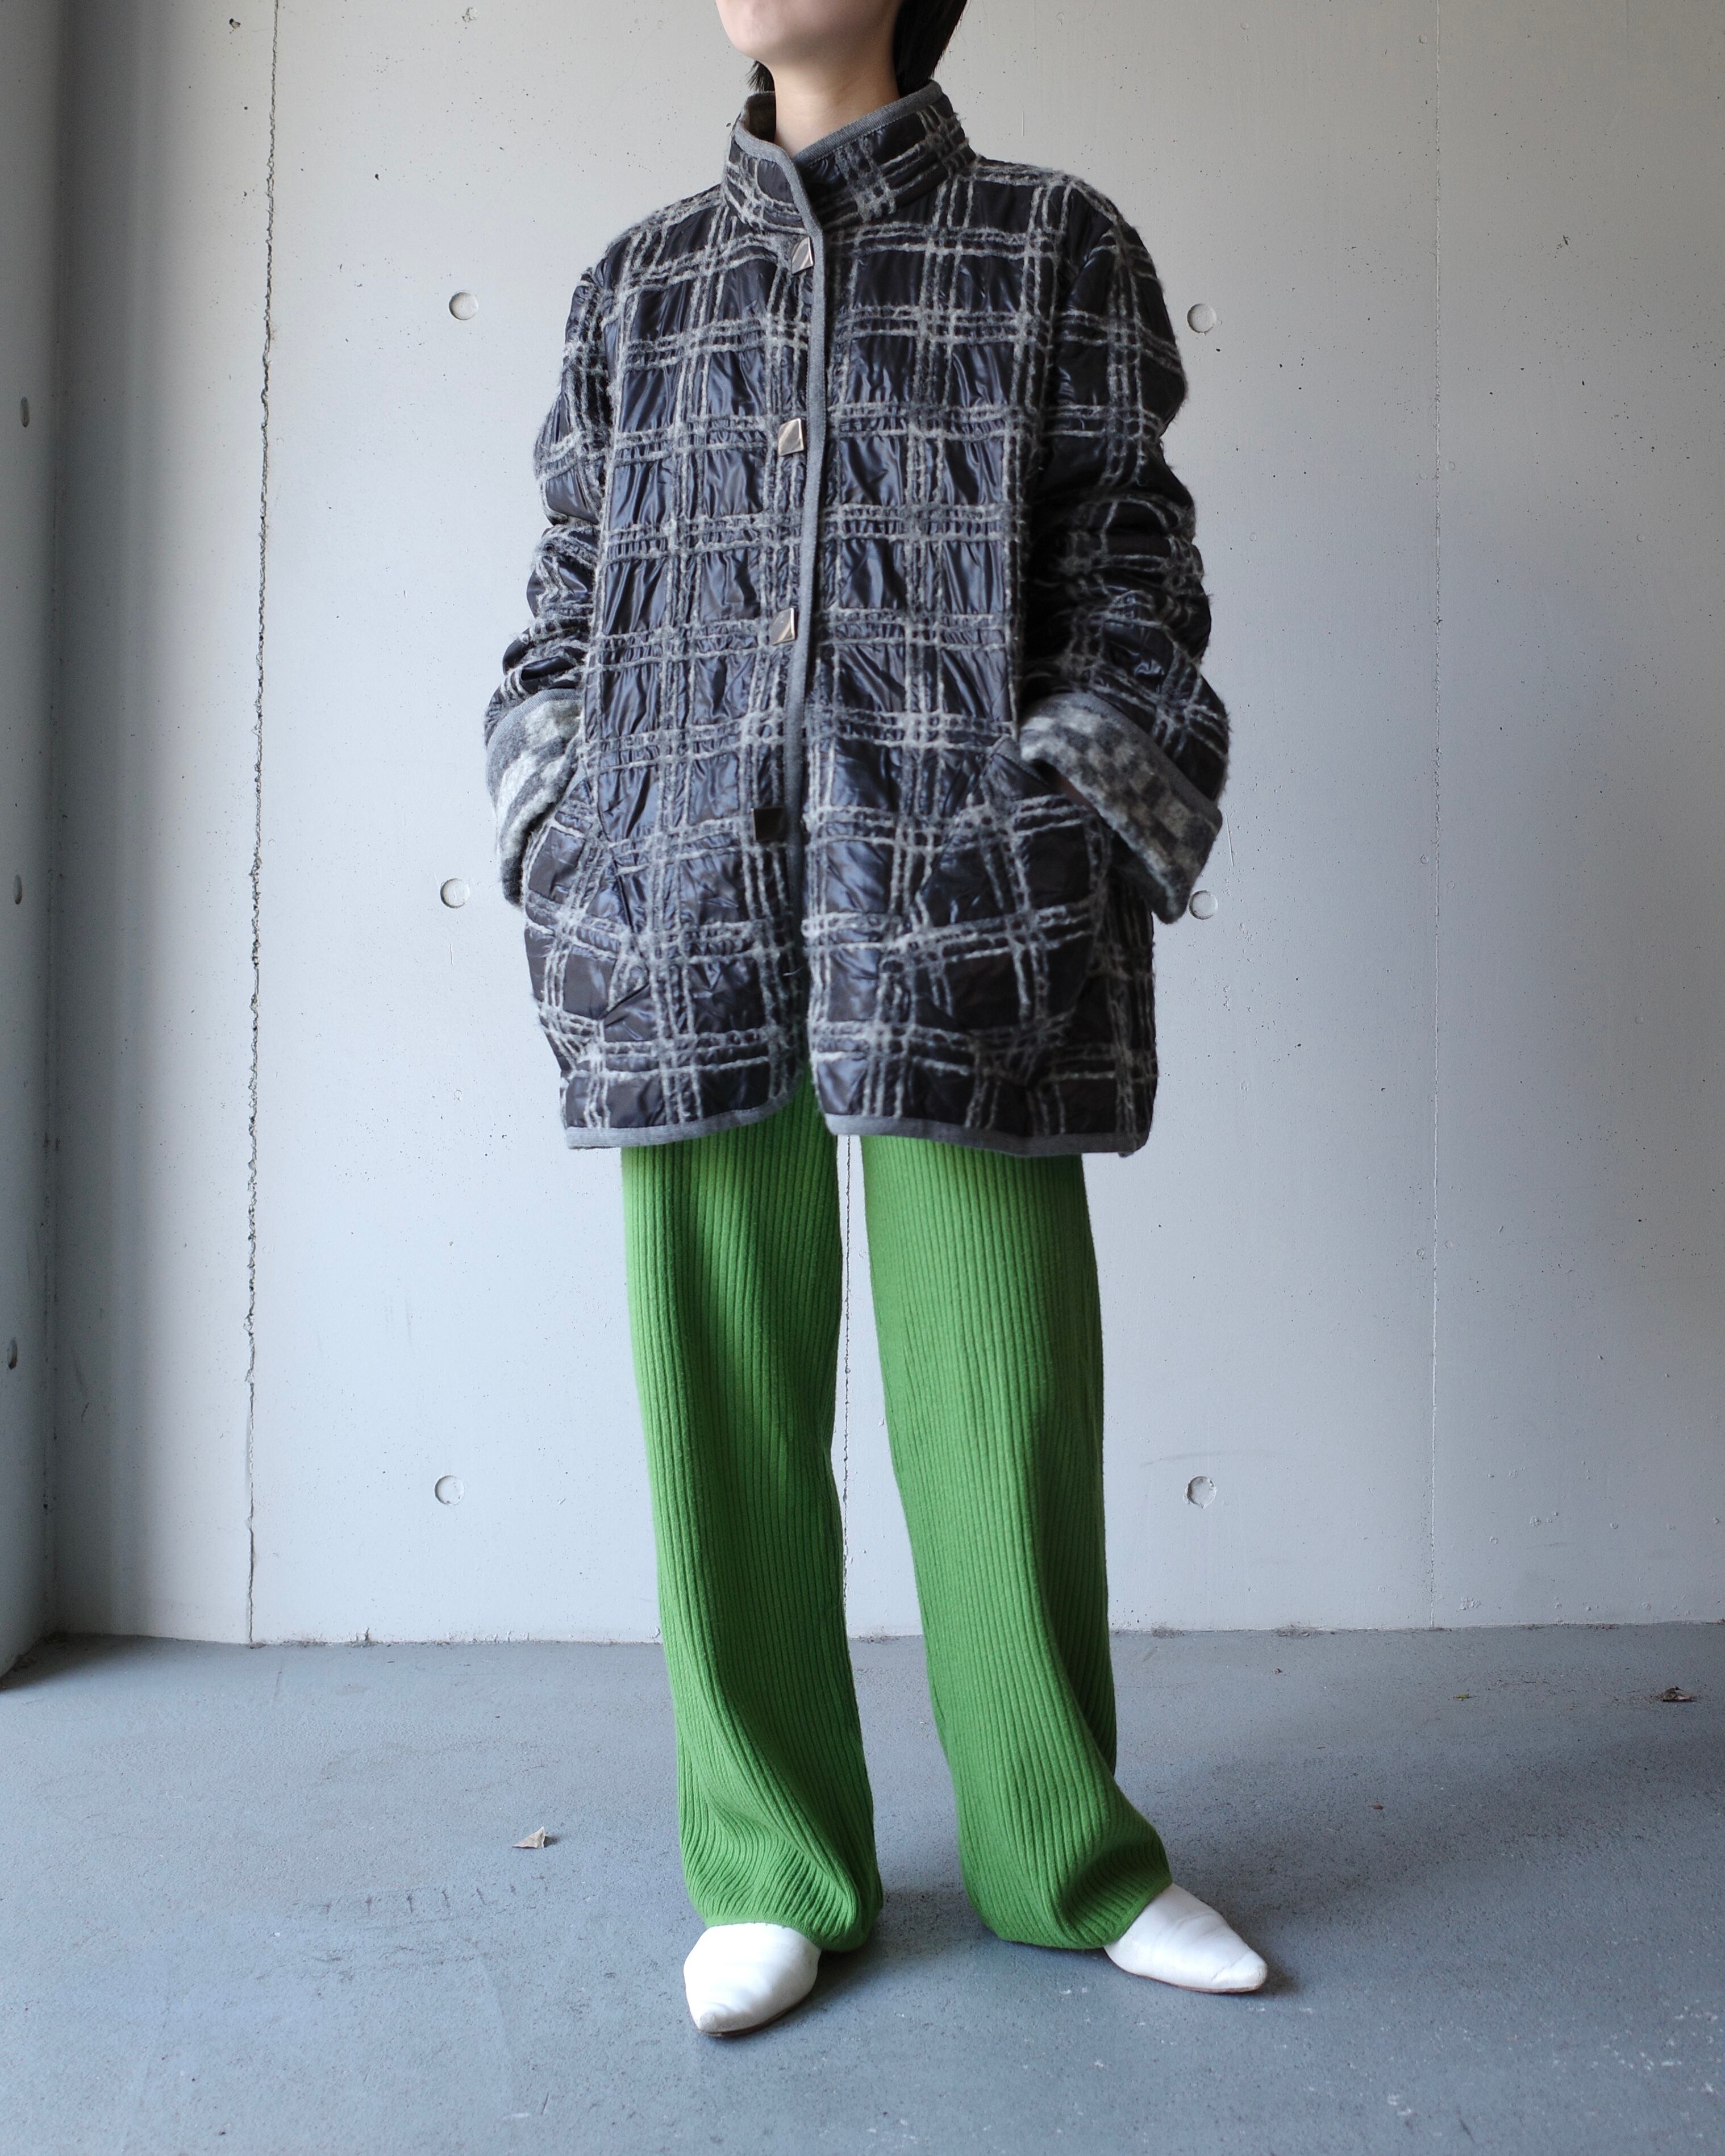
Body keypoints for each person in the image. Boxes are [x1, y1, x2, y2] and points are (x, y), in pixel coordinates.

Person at [483, 0, 1265, 2034]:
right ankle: (767, 1861)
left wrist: (1058, 831)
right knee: (716, 1404)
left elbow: (1133, 578)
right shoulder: (640, 283)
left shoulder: (1051, 243)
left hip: (967, 910)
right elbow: (562, 600)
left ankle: (1065, 1855)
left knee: (1001, 1399)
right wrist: (562, 828)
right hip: (677, 903)